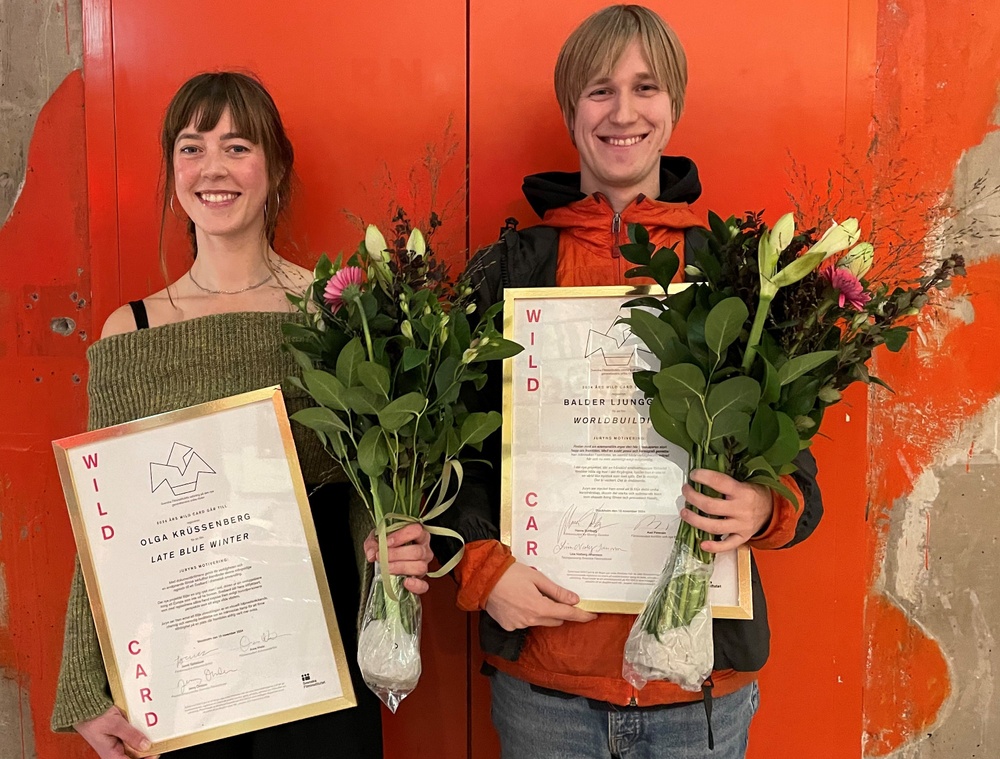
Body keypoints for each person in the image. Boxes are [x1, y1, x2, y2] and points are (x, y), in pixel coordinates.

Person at [444, 6, 823, 758]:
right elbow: (449, 455)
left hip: (700, 691)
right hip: (547, 690)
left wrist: (762, 506)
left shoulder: (738, 268)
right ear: (568, 109)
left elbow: (798, 478)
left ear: (674, 105)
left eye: (646, 87)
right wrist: (486, 569)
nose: (623, 112)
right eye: (598, 90)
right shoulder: (507, 272)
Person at [50, 71, 434, 759]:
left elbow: (364, 484)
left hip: (318, 654)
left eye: (237, 146)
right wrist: (85, 683)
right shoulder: (127, 333)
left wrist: (386, 549)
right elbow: (106, 525)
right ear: (172, 170)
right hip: (181, 666)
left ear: (275, 167)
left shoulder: (339, 316)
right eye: (191, 147)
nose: (212, 168)